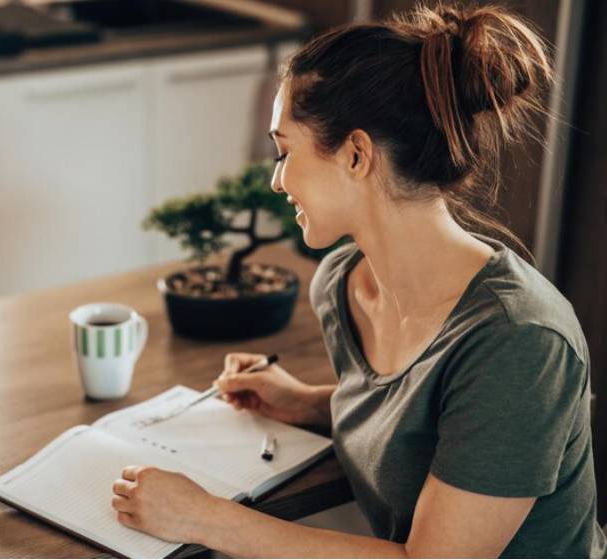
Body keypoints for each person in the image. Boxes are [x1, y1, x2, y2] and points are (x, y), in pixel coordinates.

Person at [110, 3, 607, 557]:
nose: (276, 180)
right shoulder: (342, 285)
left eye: (284, 151)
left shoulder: (519, 341)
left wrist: (205, 519)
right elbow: (430, 425)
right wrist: (312, 404)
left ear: (355, 155)